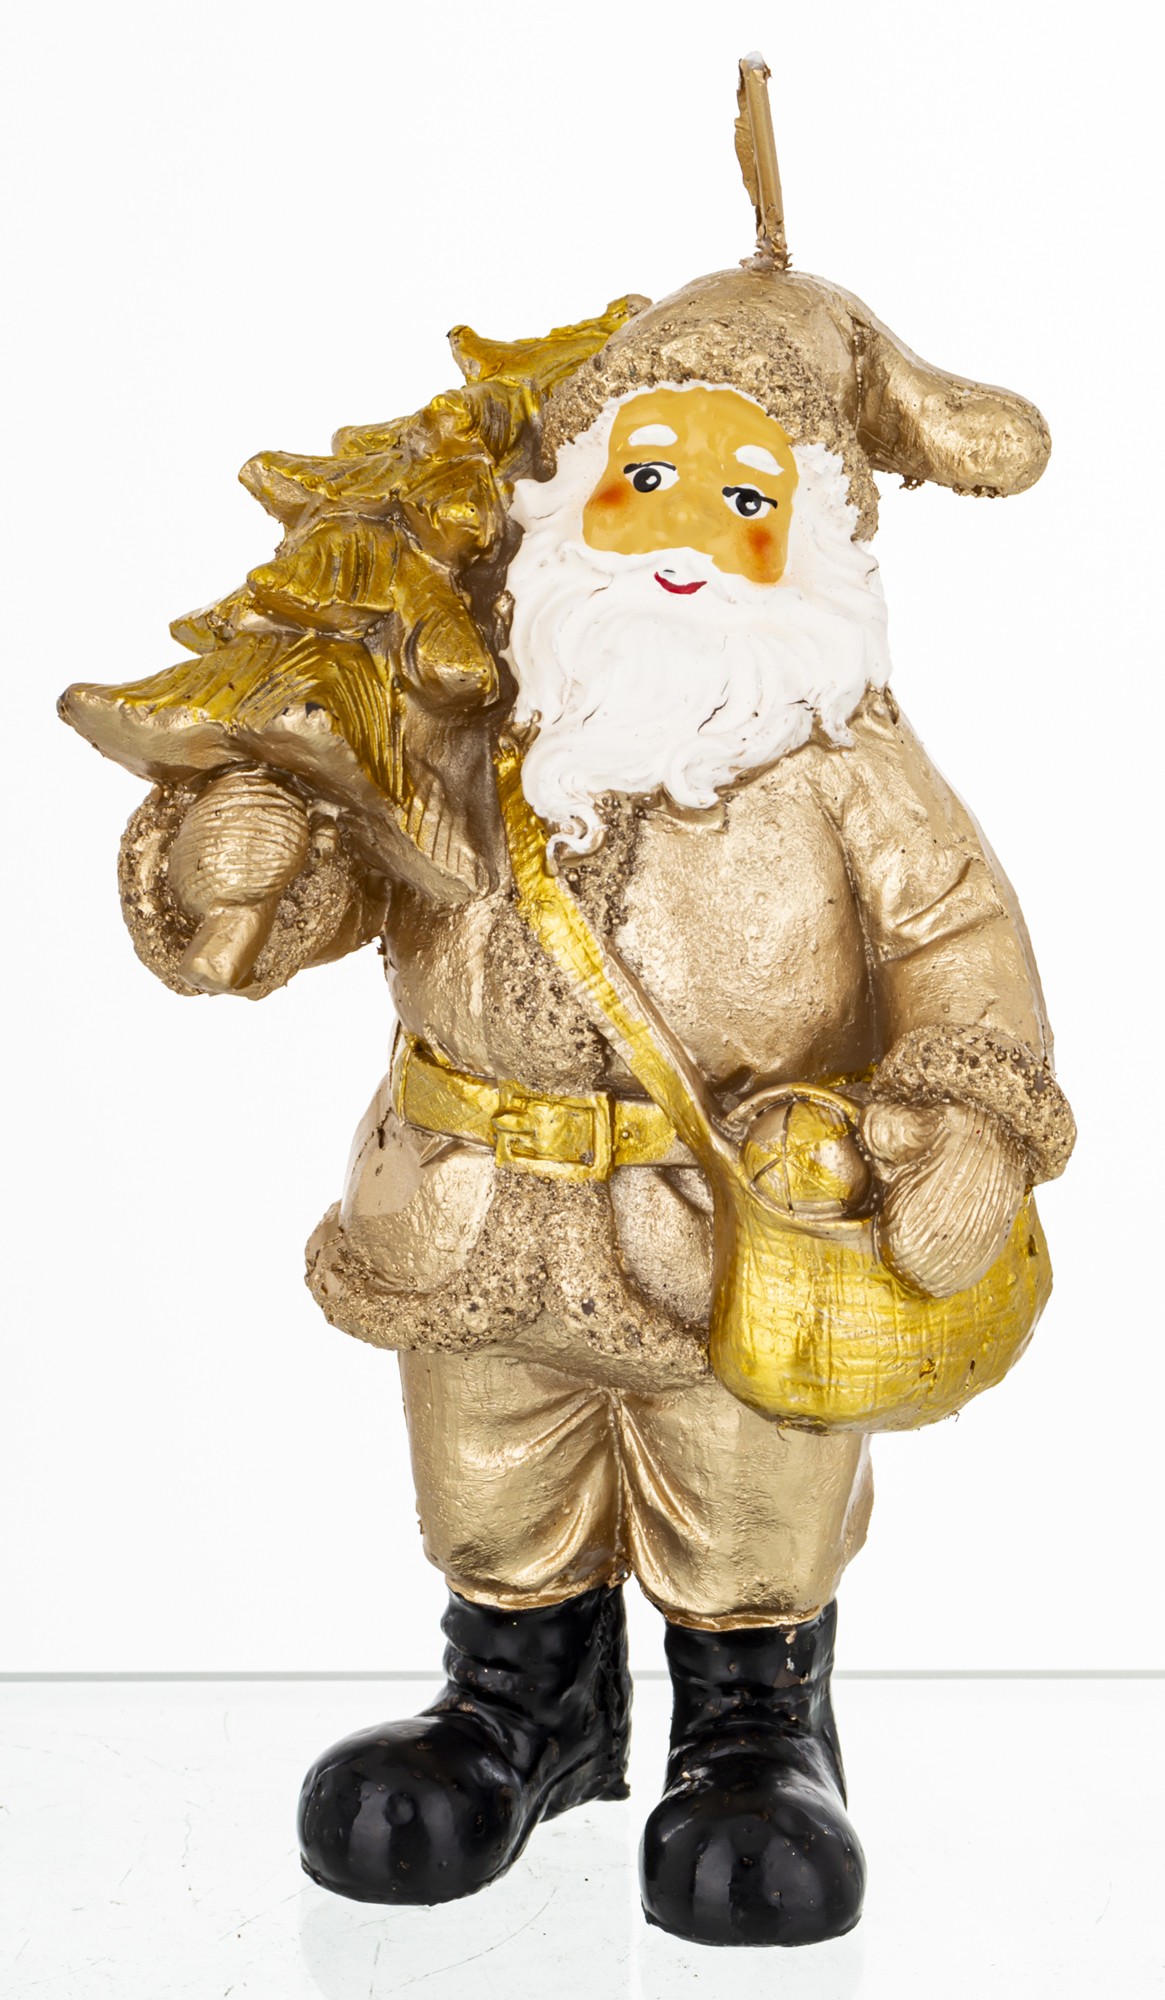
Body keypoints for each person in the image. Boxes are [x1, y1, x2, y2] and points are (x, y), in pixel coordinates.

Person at [60, 60, 1073, 1949]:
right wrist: (244, 853)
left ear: (817, 532)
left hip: (732, 1219)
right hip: (472, 1204)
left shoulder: (845, 757)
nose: (680, 529)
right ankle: (516, 1712)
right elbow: (330, 894)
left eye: (742, 497)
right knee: (490, 1481)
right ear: (573, 496)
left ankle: (753, 1734)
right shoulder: (475, 720)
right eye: (645, 477)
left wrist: (963, 1122)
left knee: (745, 1491)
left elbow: (958, 941)